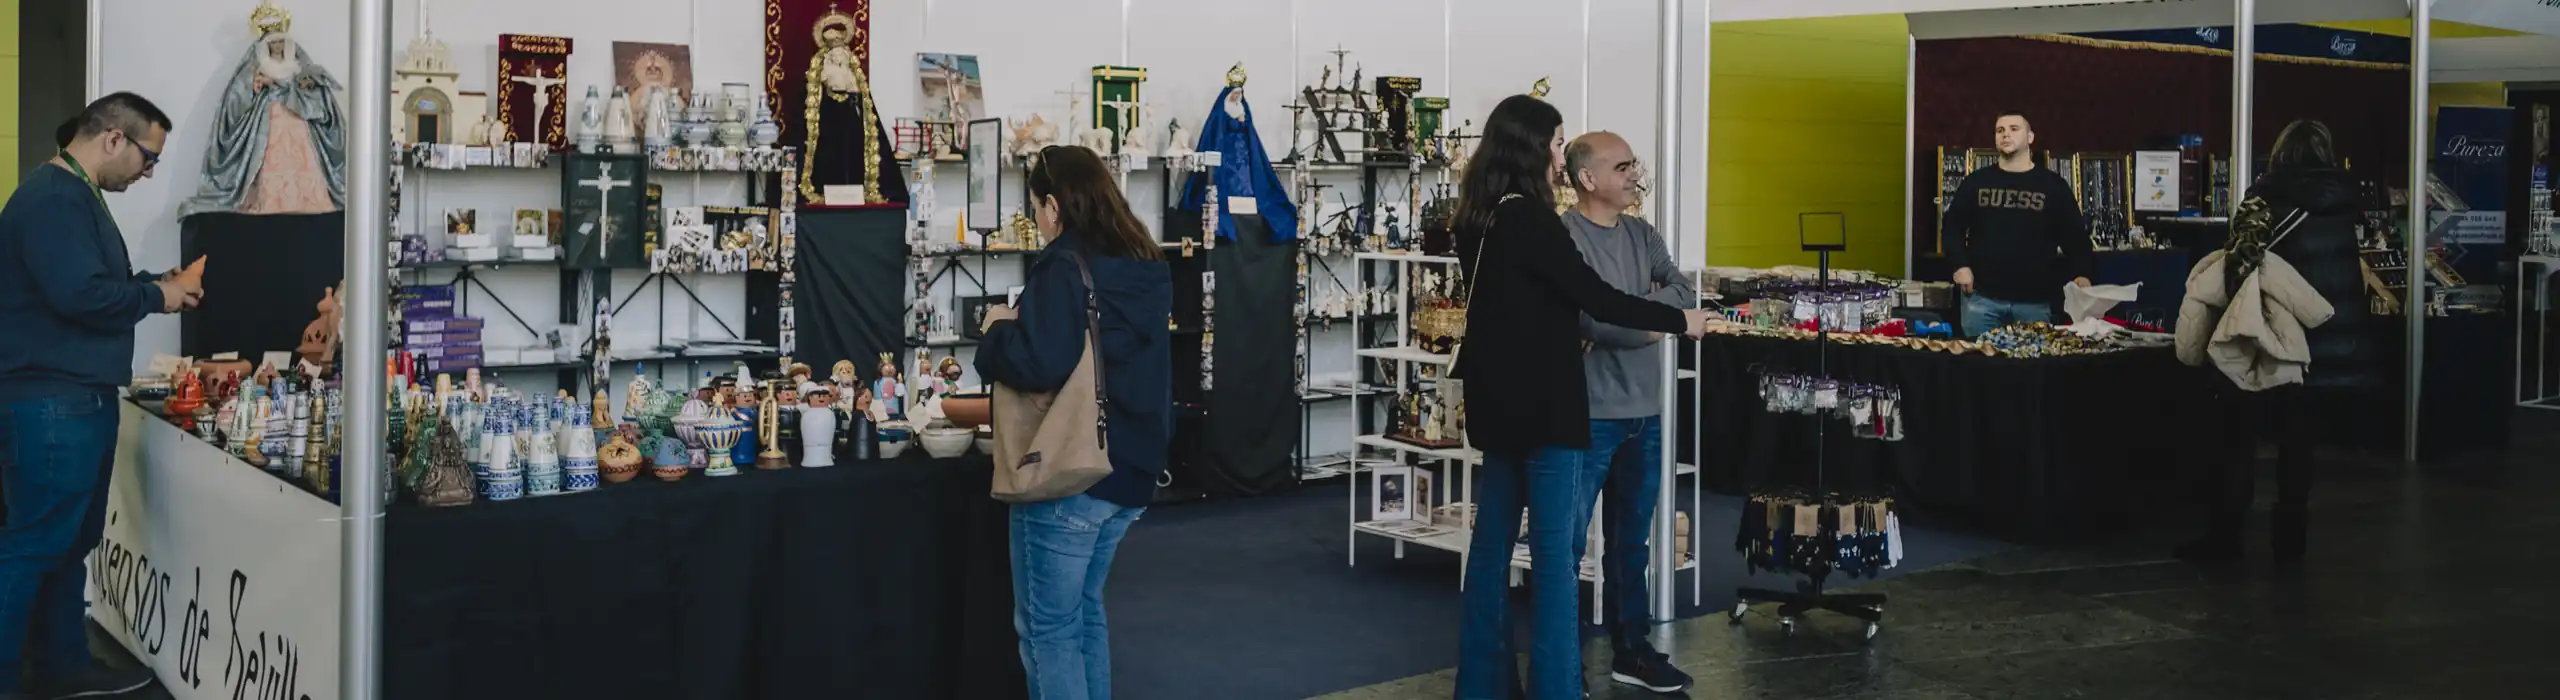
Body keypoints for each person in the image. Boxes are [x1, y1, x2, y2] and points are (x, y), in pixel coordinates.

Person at [1450, 95, 1711, 700]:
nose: (1558, 156)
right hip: (1548, 409)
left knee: (1490, 551)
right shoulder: (1534, 221)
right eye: (1554, 142)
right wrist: (1680, 322)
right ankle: (1558, 688)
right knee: (1554, 563)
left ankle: (1483, 685)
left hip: (1497, 407)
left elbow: (1536, 308)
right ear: (1532, 147)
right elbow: (1598, 300)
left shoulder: (1477, 218)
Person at [0, 92, 193, 700]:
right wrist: (156, 297)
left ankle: (61, 664)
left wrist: (154, 285)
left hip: (74, 395)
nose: (149, 172)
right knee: (37, 543)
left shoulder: (74, 195)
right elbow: (79, 296)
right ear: (113, 138)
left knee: (68, 541)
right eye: (148, 157)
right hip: (53, 399)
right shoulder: (54, 198)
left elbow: (89, 285)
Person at [974, 145, 1172, 700]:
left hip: (1070, 473)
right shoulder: (1144, 260)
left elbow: (1039, 364)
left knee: (1048, 632)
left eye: (1035, 207)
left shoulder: (1065, 266)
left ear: (1054, 206)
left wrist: (996, 331)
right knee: (1083, 615)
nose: (1036, 220)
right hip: (1132, 468)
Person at [2175, 119, 2369, 564]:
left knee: (2237, 437)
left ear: (2280, 152)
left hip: (2267, 337)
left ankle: (2226, 537)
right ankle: (2290, 542)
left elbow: (2238, 266)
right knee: (2299, 445)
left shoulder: (2264, 197)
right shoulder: (2343, 203)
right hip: (2323, 341)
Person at [1558, 131, 1694, 694]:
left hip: (1646, 414)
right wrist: (1655, 323)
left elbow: (1683, 292)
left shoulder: (1643, 233)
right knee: (1566, 546)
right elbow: (1591, 320)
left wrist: (1628, 319)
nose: (1635, 175)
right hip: (1588, 416)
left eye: (1633, 165)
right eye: (1622, 167)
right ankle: (1562, 663)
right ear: (1588, 179)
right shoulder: (1564, 237)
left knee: (1631, 544)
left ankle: (1631, 651)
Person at [1941, 111, 2093, 337]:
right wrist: (1960, 265)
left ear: (2030, 137)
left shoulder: (2053, 186)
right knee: (1980, 360)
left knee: (2032, 360)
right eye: (2000, 130)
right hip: (1982, 300)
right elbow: (1952, 228)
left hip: (2035, 303)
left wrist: (2082, 274)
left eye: (2014, 129)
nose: (2006, 135)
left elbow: (2075, 238)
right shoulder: (1976, 182)